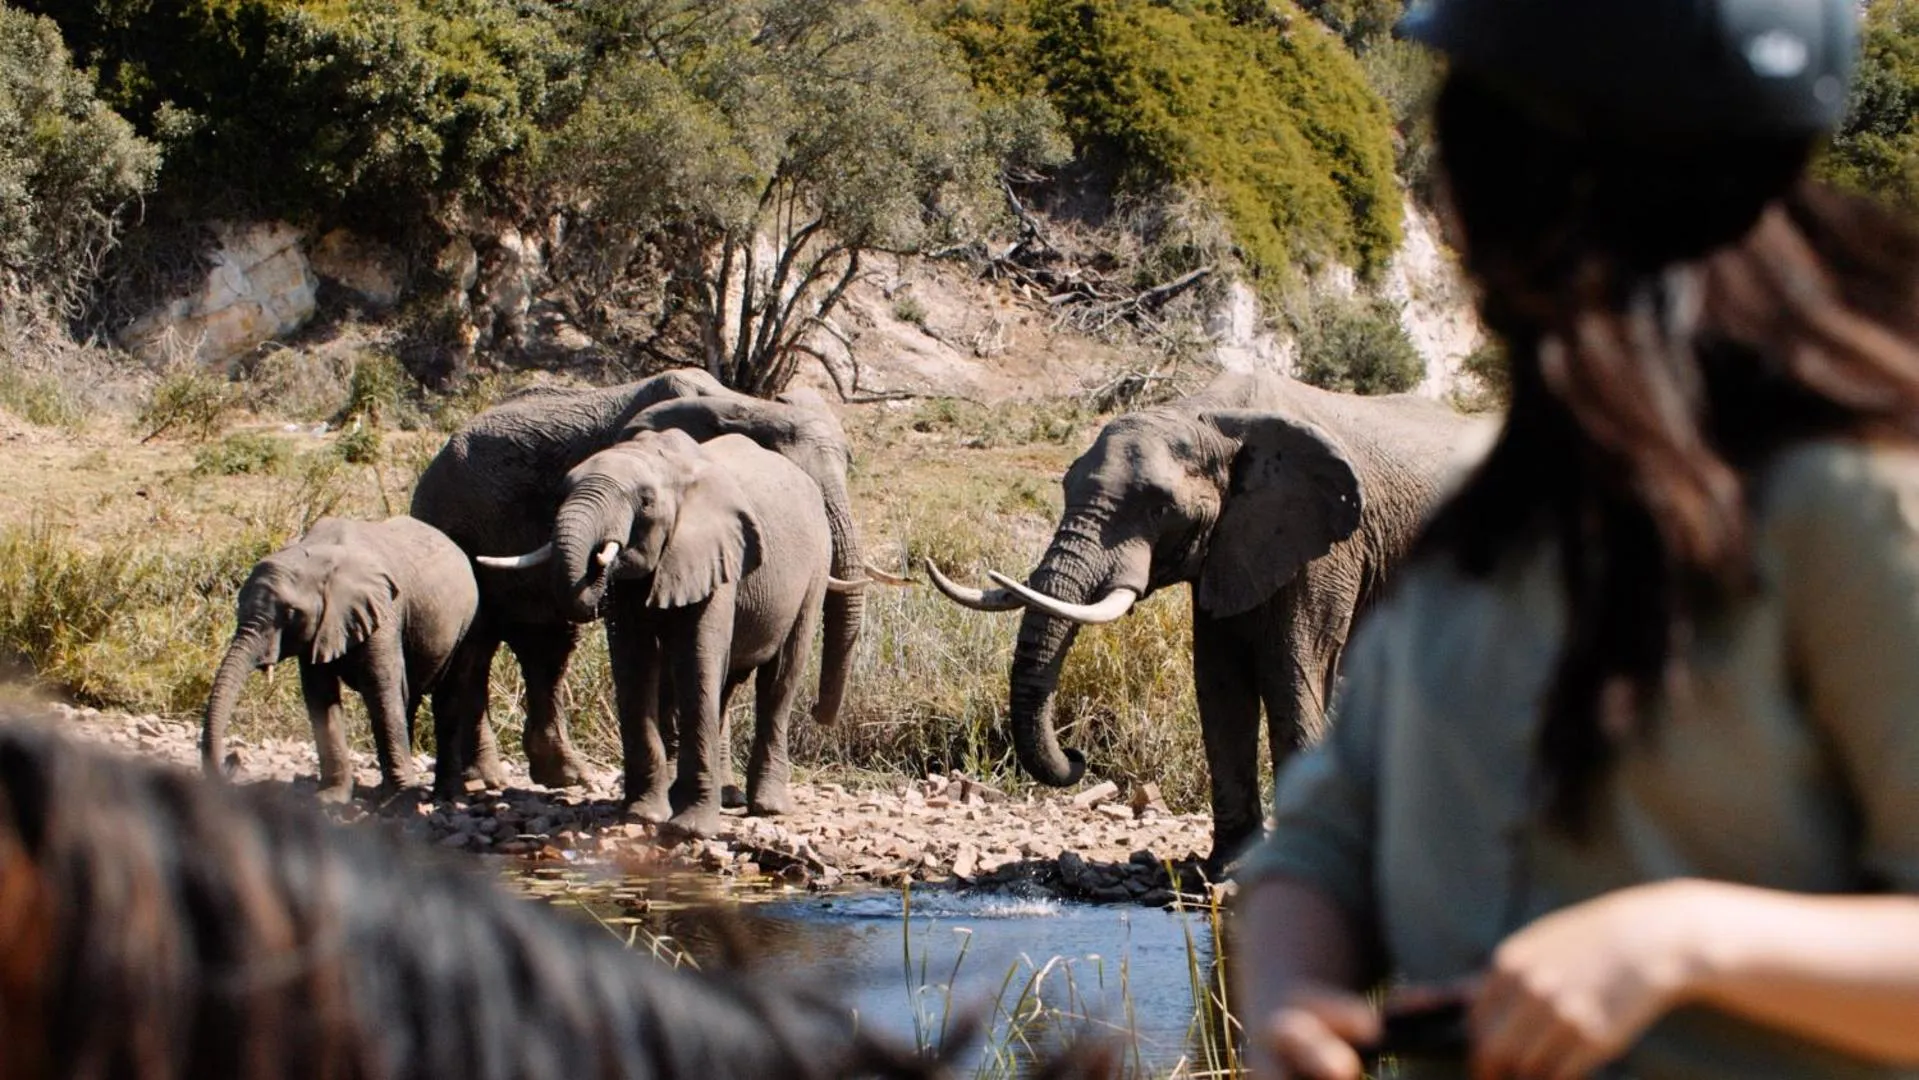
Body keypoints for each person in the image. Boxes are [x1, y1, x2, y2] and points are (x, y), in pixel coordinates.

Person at [1231, 1, 1919, 1078]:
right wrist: (1289, 987)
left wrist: (1684, 943)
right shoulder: (1493, 517)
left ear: (1586, 172)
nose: (1447, 202)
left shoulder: (1850, 509)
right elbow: (1321, 838)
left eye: (1476, 134)